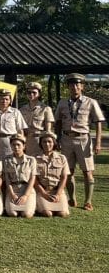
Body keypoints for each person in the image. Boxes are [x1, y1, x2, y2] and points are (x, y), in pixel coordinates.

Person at [54, 72, 104, 211]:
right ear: (68, 87)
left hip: (83, 139)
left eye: (77, 84)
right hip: (66, 139)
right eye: (71, 85)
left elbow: (98, 122)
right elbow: (58, 121)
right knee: (68, 171)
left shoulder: (91, 102)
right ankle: (72, 199)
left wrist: (98, 142)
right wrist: (57, 138)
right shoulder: (62, 103)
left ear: (82, 86)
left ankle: (88, 201)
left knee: (87, 171)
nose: (74, 87)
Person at [34, 131, 70, 218]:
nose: (47, 144)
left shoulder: (62, 158)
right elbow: (34, 179)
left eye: (49, 142)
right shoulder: (35, 158)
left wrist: (58, 194)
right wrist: (43, 193)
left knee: (63, 214)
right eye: (44, 142)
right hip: (42, 191)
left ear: (54, 143)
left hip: (57, 191)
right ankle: (39, 206)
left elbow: (64, 177)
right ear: (41, 143)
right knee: (47, 213)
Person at [3, 134, 37, 218]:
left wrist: (25, 195)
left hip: (27, 189)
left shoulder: (31, 160)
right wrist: (12, 194)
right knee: (12, 214)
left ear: (24, 146)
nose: (16, 147)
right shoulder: (6, 160)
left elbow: (32, 179)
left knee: (26, 214)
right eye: (13, 145)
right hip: (13, 189)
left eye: (18, 145)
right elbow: (7, 179)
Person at [20, 82, 54, 158]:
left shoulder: (45, 109)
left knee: (40, 161)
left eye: (34, 92)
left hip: (39, 140)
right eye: (29, 92)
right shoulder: (22, 109)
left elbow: (48, 130)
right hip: (26, 139)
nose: (31, 94)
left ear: (39, 94)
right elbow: (20, 127)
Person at [0, 88, 27, 159]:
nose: (4, 101)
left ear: (10, 101)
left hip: (11, 141)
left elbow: (20, 130)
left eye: (6, 99)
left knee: (11, 161)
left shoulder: (15, 112)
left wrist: (21, 144)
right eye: (2, 99)